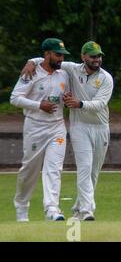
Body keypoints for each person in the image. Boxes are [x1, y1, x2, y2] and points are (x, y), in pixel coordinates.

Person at [22, 41, 114, 221]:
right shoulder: (72, 69)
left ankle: (79, 208)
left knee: (94, 172)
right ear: (83, 57)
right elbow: (47, 60)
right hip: (79, 126)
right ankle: (88, 210)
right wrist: (31, 61)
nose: (97, 60)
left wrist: (79, 104)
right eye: (93, 56)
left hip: (101, 127)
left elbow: (100, 104)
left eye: (99, 56)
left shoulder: (106, 78)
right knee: (85, 168)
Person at [11, 38, 70, 221]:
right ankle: (22, 206)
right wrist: (39, 105)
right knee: (29, 169)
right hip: (35, 127)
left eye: (62, 55)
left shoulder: (64, 74)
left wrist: (67, 99)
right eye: (57, 55)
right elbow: (15, 98)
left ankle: (52, 209)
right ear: (47, 54)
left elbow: (63, 96)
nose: (61, 59)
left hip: (57, 127)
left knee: (54, 168)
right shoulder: (32, 72)